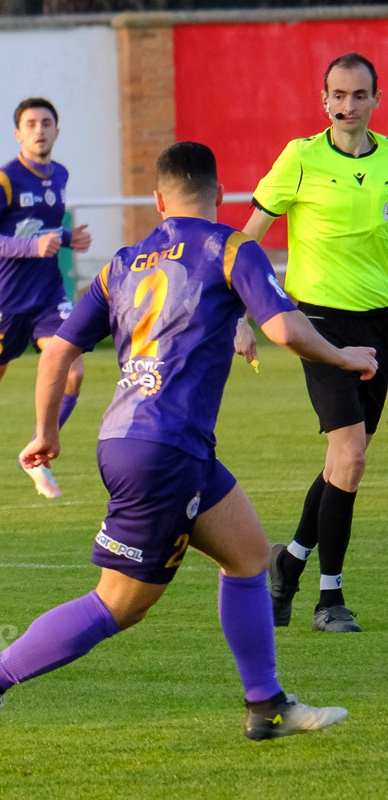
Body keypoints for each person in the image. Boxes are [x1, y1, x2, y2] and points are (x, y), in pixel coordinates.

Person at [0, 142, 374, 747]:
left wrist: (47, 431)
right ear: (220, 191)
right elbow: (283, 327)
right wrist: (342, 355)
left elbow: (60, 352)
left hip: (146, 440)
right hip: (163, 451)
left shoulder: (122, 262)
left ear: (157, 200)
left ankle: (267, 705)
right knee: (119, 605)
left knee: (250, 557)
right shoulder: (231, 248)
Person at [241, 52, 387, 634]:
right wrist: (240, 315)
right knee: (349, 457)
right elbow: (246, 242)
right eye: (337, 95)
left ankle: (289, 564)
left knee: (342, 464)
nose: (347, 105)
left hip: (381, 326)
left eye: (358, 95)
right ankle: (330, 600)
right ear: (323, 99)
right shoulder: (300, 157)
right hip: (320, 323)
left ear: (376, 100)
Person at [0, 97, 91, 512]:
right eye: (31, 124)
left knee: (73, 371)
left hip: (48, 295)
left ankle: (37, 453)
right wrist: (33, 246)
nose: (39, 130)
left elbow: (43, 226)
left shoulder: (60, 174)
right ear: (18, 133)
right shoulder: (3, 181)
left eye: (46, 122)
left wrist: (66, 238)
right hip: (4, 300)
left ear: (57, 131)